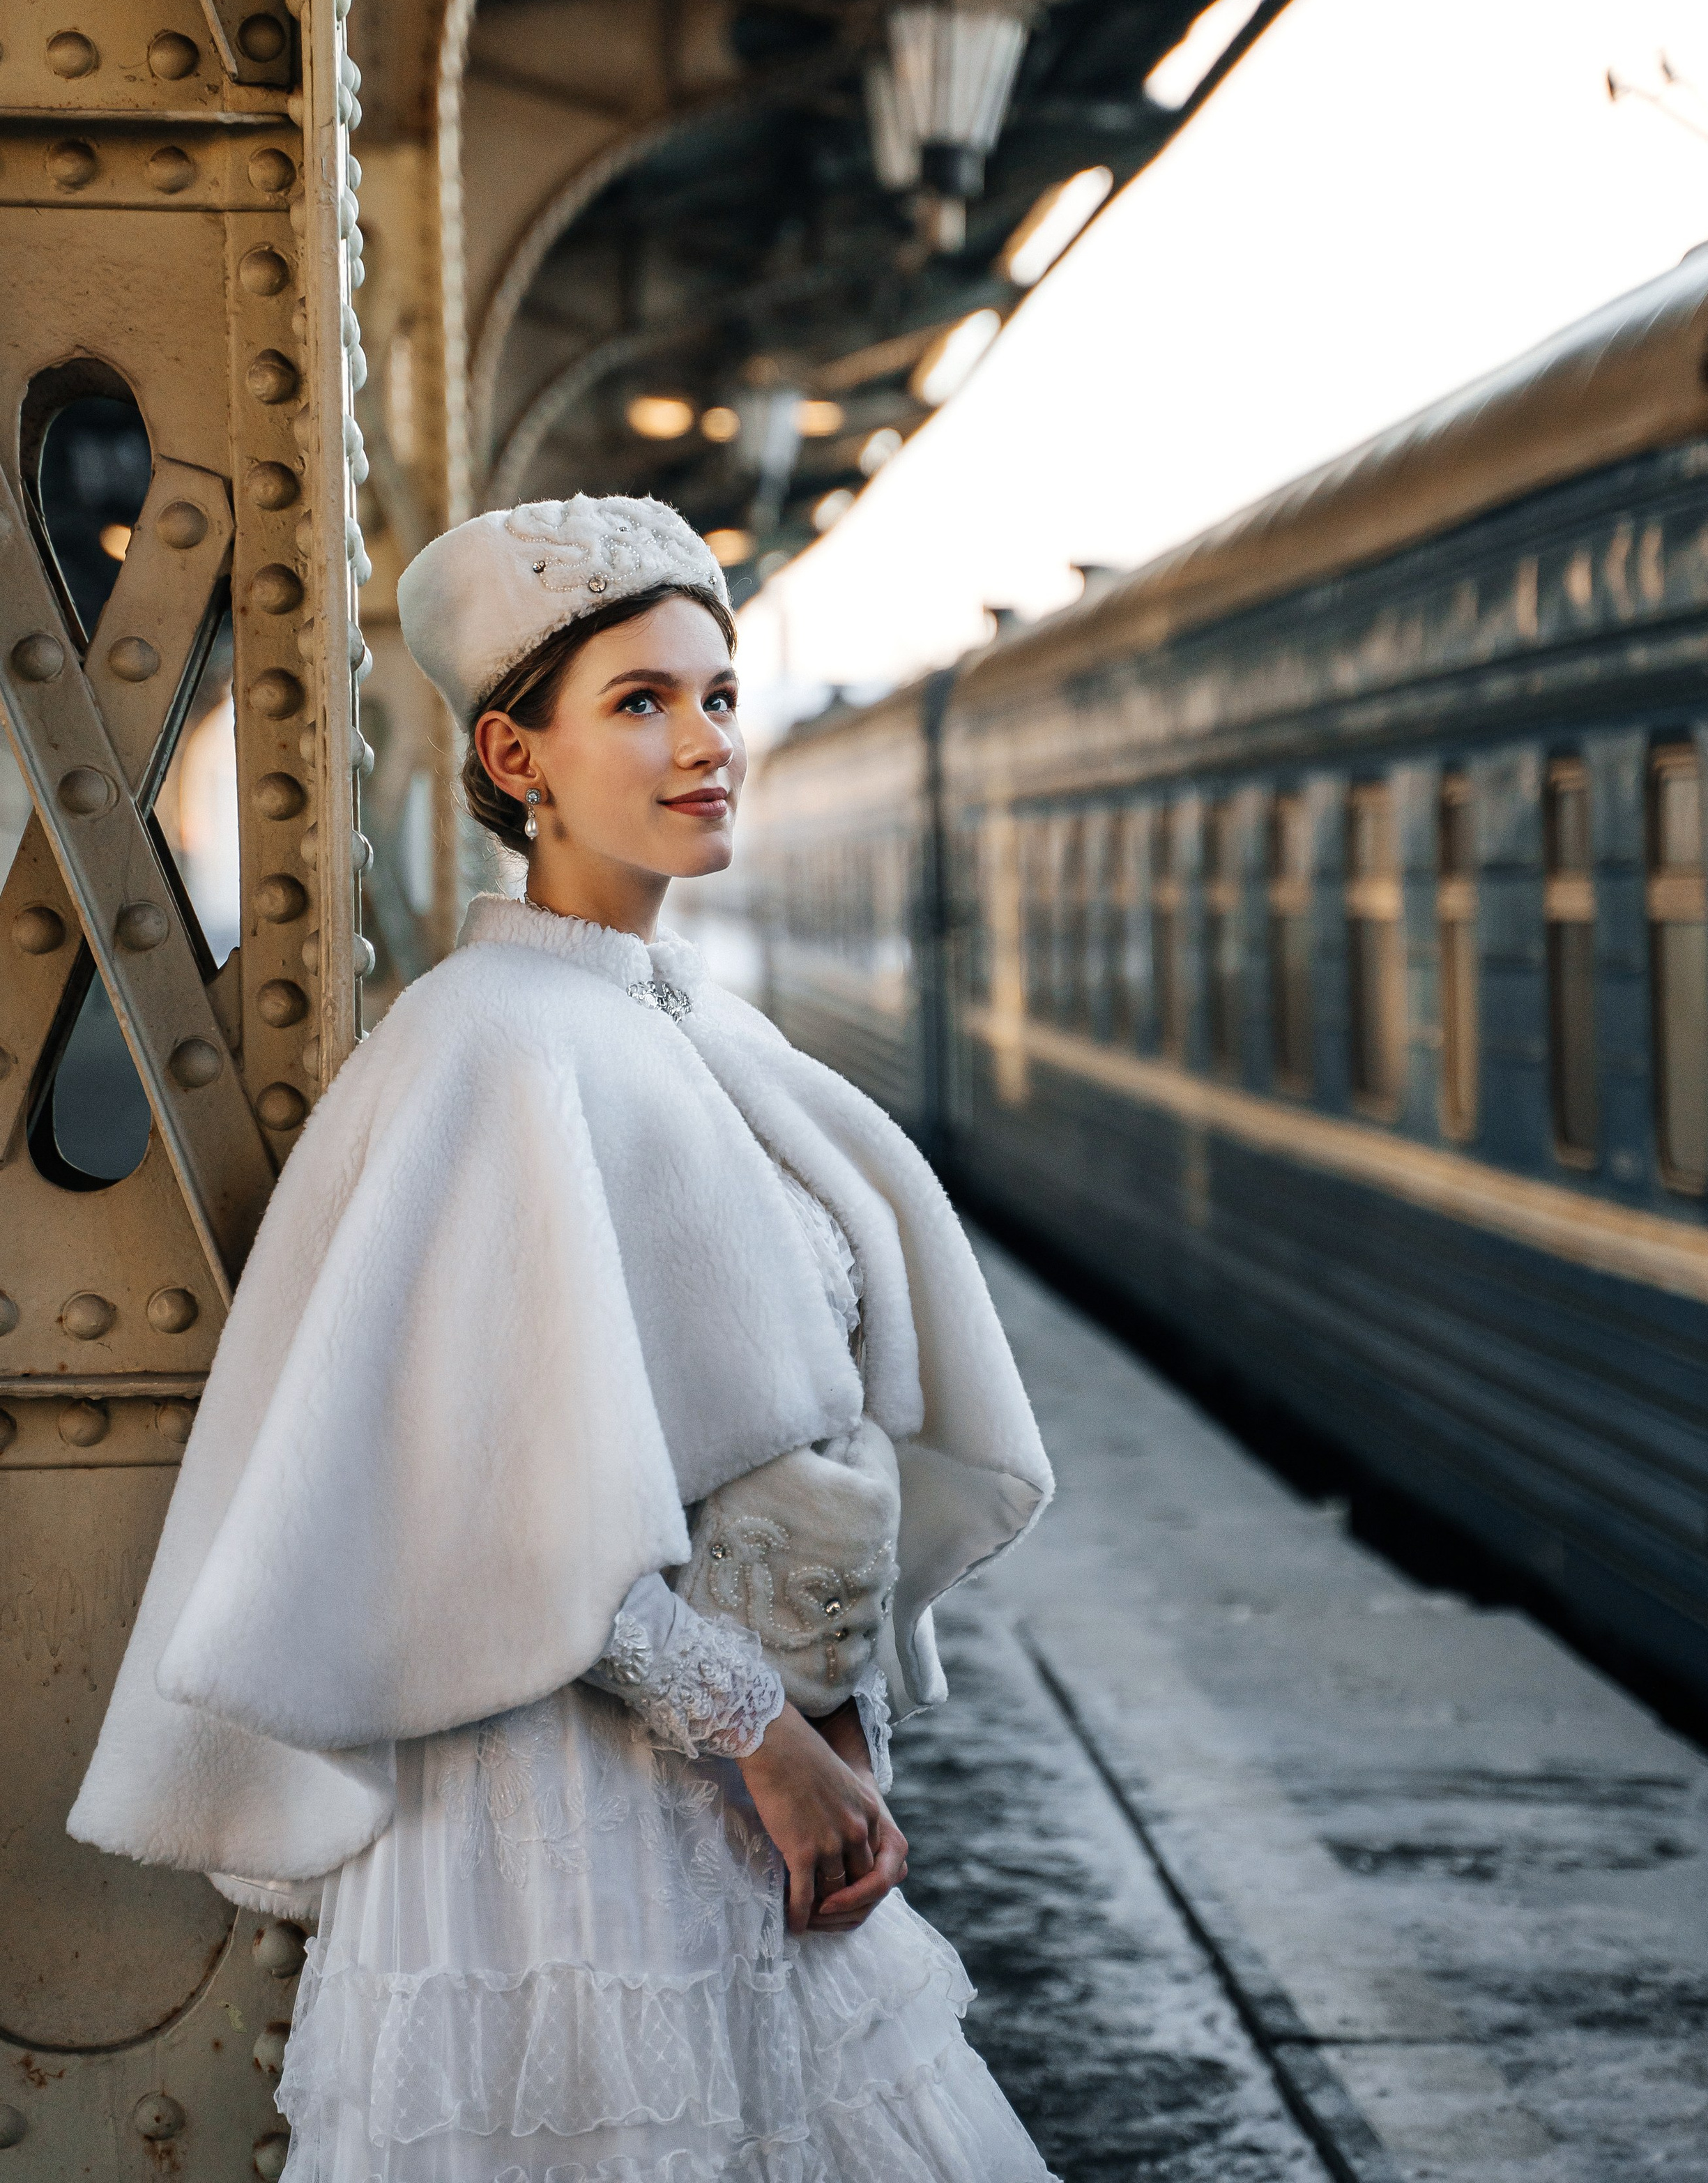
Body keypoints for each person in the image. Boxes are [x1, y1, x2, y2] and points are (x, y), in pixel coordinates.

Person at [72, 492, 1058, 2182]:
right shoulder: (486, 1049)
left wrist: (825, 1724)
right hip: (563, 1828)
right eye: (641, 704)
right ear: (516, 761)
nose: (704, 744)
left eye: (719, 696)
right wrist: (761, 1738)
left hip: (748, 1793)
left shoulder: (691, 1032)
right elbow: (477, 1501)